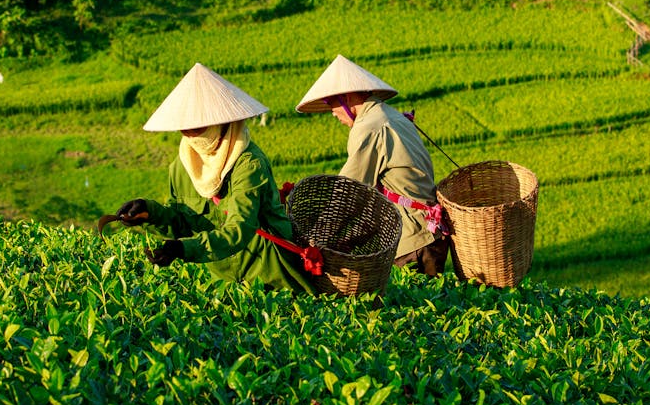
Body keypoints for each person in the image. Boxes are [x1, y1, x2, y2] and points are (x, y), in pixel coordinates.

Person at [108, 63, 316, 294]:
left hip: (269, 277)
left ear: (223, 123)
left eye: (200, 126)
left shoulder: (249, 164)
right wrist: (151, 213)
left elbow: (239, 229)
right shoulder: (182, 165)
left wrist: (183, 249)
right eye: (186, 128)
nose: (192, 135)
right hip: (221, 282)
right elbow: (183, 223)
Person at [296, 55, 448, 276]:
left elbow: (349, 191)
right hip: (430, 233)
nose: (332, 111)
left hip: (413, 242)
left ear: (347, 97)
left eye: (331, 103)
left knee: (411, 307)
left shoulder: (370, 127)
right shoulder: (391, 115)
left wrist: (316, 240)